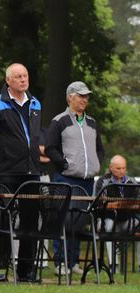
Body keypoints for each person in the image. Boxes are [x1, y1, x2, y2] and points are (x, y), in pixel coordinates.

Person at [0, 62, 42, 282]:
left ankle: (26, 270)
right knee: (1, 220)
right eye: (17, 76)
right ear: (8, 80)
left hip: (31, 171)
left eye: (25, 75)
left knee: (30, 222)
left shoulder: (36, 104)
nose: (23, 79)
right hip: (6, 171)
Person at [46, 81, 104, 275]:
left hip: (87, 180)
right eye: (81, 96)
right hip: (66, 179)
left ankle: (73, 262)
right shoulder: (59, 121)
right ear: (70, 97)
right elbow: (50, 148)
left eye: (86, 96)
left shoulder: (92, 122)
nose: (85, 99)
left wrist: (97, 164)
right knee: (63, 220)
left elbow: (99, 148)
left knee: (79, 222)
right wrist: (63, 164)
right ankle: (61, 262)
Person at [94, 155, 139, 270]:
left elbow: (137, 202)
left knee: (139, 225)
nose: (121, 171)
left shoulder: (132, 182)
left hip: (126, 220)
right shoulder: (102, 182)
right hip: (108, 219)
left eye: (123, 168)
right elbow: (98, 204)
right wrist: (114, 205)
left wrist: (121, 205)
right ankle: (113, 264)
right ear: (111, 168)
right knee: (108, 227)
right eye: (118, 168)